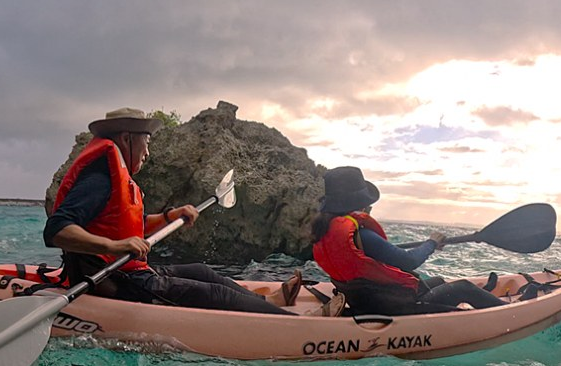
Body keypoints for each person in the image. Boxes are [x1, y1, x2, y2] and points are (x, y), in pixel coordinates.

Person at [43, 107, 344, 317]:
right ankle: (299, 323)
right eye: (146, 141)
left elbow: (131, 227)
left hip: (131, 272)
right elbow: (57, 230)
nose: (148, 151)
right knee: (217, 296)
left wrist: (169, 217)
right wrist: (114, 246)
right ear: (126, 138)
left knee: (202, 271)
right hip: (114, 281)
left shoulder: (115, 177)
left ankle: (272, 300)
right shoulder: (98, 179)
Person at [311, 166, 507, 316]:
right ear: (360, 202)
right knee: (464, 287)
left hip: (364, 301)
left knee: (438, 281)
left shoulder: (325, 231)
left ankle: (471, 306)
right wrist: (431, 243)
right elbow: (408, 261)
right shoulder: (363, 235)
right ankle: (507, 312)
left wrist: (427, 246)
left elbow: (375, 257)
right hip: (392, 306)